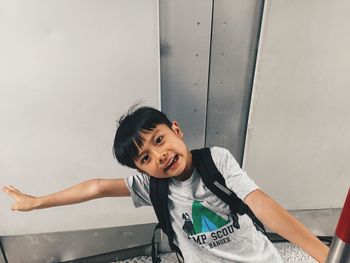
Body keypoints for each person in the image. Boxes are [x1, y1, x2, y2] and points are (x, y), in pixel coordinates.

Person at [2, 106, 329, 262]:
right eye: (145, 158)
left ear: (176, 129)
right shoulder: (152, 187)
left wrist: (322, 254)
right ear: (140, 169)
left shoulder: (216, 161)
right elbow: (97, 187)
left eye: (159, 140)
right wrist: (36, 201)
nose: (159, 156)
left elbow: (262, 205)